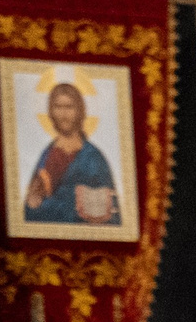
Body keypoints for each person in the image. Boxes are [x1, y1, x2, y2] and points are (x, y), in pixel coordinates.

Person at [22, 83, 122, 228]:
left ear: (79, 111)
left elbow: (109, 215)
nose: (63, 114)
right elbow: (30, 208)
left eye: (69, 107)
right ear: (51, 111)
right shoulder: (46, 154)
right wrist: (31, 204)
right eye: (58, 107)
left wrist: (50, 206)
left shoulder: (93, 157)